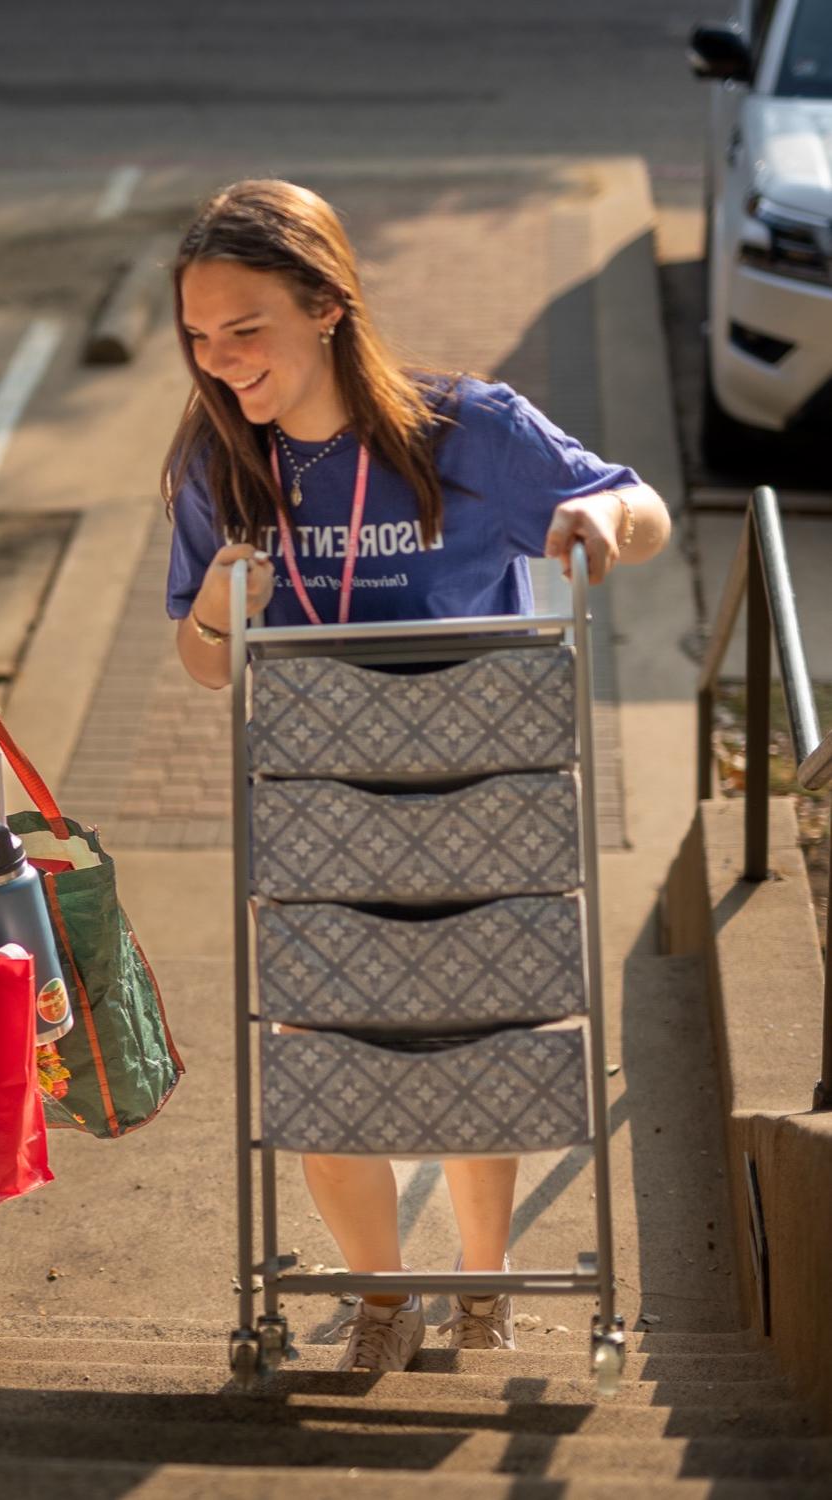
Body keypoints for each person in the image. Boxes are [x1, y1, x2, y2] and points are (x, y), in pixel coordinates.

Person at [162, 179, 671, 1373]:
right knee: (324, 1051)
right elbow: (196, 666)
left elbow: (635, 502)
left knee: (476, 1034)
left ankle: (481, 1282)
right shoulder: (215, 459)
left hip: (481, 793)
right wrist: (212, 609)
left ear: (327, 306)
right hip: (317, 809)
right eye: (198, 336)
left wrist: (599, 523)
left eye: (247, 330)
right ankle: (382, 1293)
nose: (222, 361)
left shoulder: (467, 428)